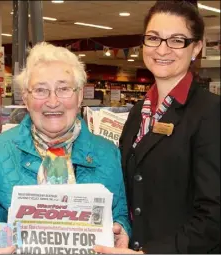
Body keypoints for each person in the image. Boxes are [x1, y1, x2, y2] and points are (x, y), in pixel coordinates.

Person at [0, 42, 131, 252]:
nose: (53, 102)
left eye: (63, 89)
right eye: (40, 90)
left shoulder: (107, 153)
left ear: (80, 96)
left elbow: (119, 214)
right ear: (25, 99)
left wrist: (122, 231)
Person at [94, 1, 220, 254]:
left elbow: (214, 215)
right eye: (153, 38)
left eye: (176, 40)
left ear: (196, 47)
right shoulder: (137, 111)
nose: (162, 49)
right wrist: (121, 228)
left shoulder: (210, 112)